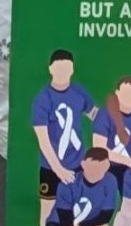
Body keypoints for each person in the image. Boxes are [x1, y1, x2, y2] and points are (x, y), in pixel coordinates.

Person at [29, 50, 95, 214]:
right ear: (50, 69)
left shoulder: (79, 92)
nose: (62, 73)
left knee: (80, 211)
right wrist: (59, 169)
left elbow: (94, 114)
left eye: (66, 68)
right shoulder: (43, 100)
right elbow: (43, 140)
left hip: (78, 163)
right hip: (51, 167)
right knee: (47, 214)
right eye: (58, 68)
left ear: (72, 70)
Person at [36, 141, 121, 226]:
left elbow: (106, 215)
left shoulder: (110, 181)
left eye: (101, 169)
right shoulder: (68, 183)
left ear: (107, 167)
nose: (96, 174)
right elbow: (65, 219)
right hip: (60, 224)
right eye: (92, 168)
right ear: (83, 164)